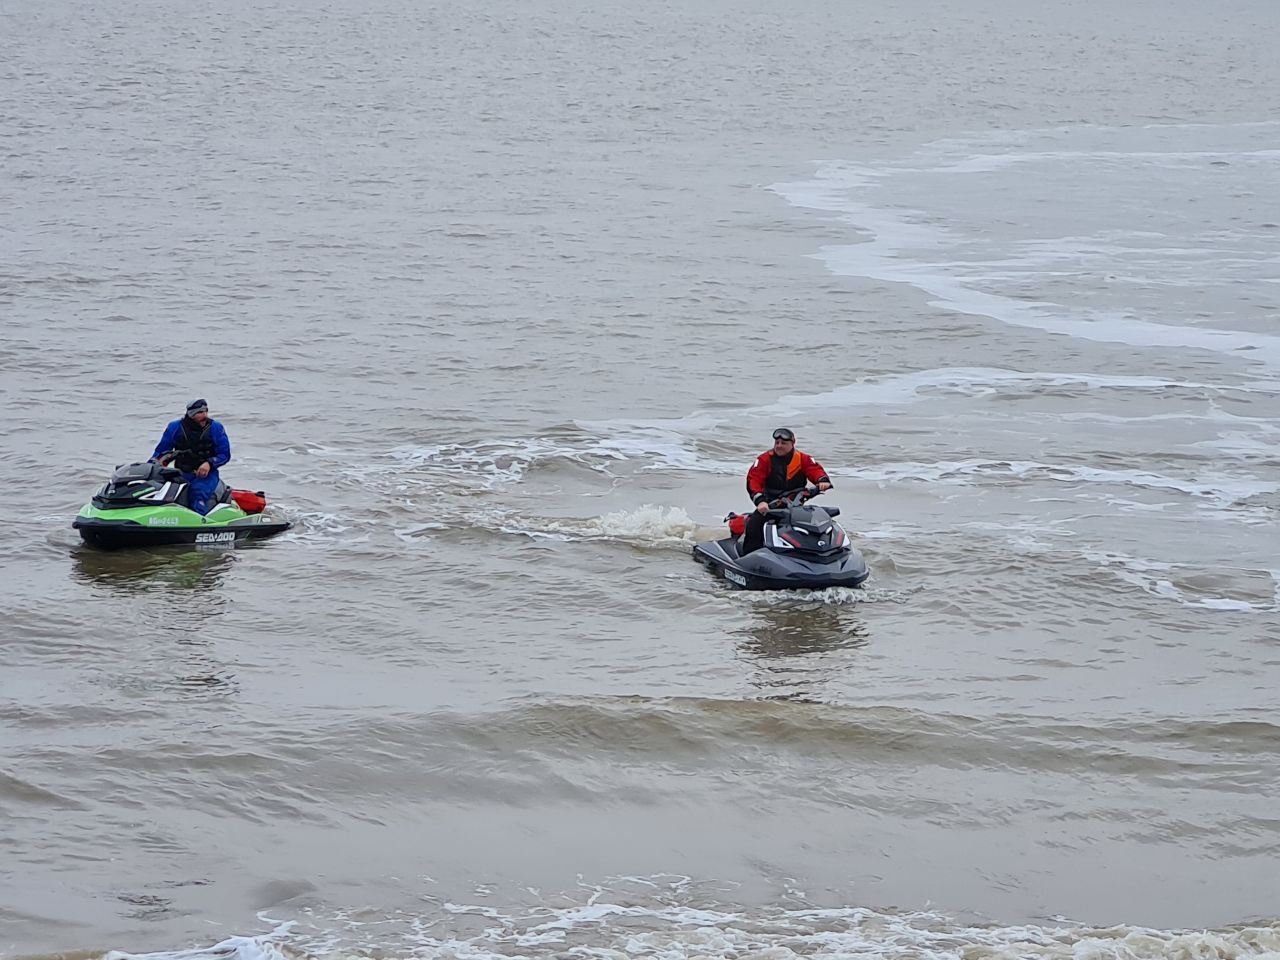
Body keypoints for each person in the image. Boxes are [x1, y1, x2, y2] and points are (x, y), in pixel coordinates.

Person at [741, 427, 832, 554]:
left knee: (812, 526)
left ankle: (814, 553)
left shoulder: (802, 459)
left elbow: (815, 470)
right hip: (769, 505)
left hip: (795, 504)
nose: (779, 446)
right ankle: (749, 556)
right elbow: (754, 480)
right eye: (777, 443)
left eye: (783, 443)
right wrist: (760, 501)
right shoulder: (764, 459)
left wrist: (822, 480)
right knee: (754, 525)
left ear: (792, 444)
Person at [151, 399, 231, 516]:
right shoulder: (175, 427)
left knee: (197, 493)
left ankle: (200, 521)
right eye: (200, 412)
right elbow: (160, 452)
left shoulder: (216, 428)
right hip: (180, 472)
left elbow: (224, 454)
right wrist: (151, 468)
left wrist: (209, 463)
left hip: (207, 475)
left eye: (206, 411)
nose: (204, 415)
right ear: (191, 414)